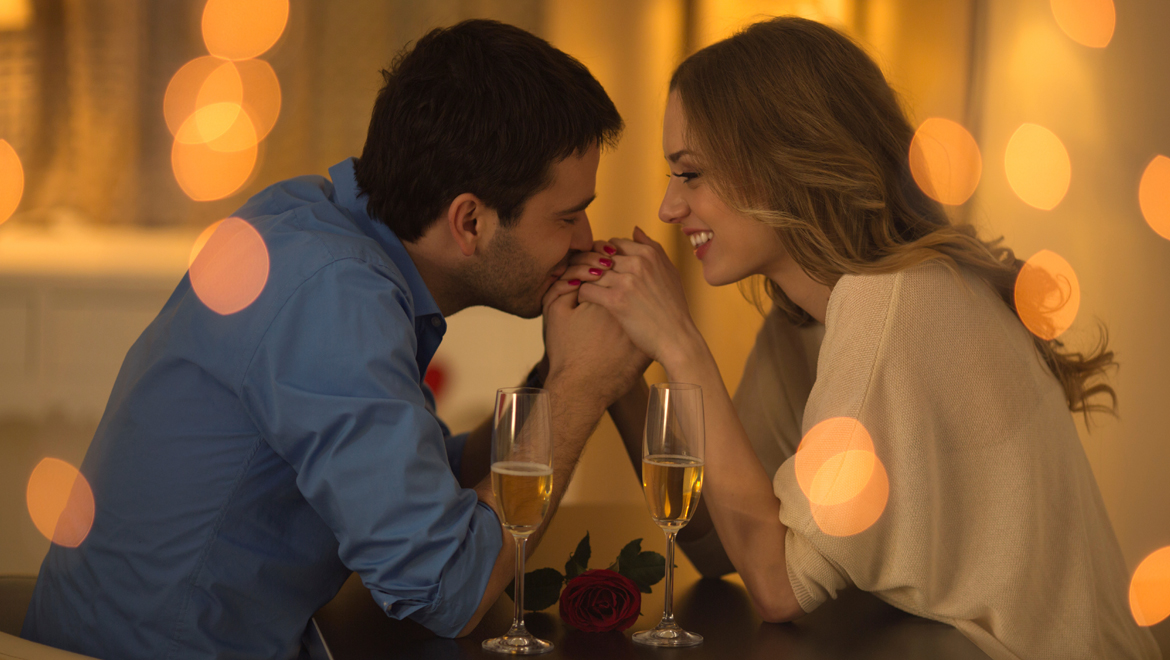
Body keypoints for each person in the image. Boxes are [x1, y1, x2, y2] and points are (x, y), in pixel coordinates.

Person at [23, 20, 646, 659]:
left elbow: (426, 482)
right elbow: (446, 588)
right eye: (567, 216)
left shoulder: (313, 223)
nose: (585, 240)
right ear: (470, 221)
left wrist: (556, 374)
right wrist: (582, 389)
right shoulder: (335, 295)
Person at [561, 16, 1161, 660]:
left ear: (781, 165)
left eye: (690, 174)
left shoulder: (895, 306)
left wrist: (682, 345)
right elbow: (718, 543)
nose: (668, 208)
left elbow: (777, 585)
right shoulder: (804, 324)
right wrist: (620, 378)